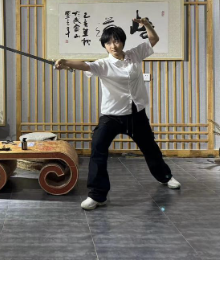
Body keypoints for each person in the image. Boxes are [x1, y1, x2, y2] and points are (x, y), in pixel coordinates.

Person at [53, 17, 181, 210]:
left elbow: (154, 39)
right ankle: (97, 195)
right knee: (98, 149)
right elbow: (85, 65)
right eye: (108, 43)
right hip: (111, 115)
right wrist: (65, 62)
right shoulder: (103, 64)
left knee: (150, 148)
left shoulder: (134, 55)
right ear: (104, 46)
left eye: (116, 41)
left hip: (136, 112)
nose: (113, 45)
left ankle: (165, 176)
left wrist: (147, 24)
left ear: (122, 41)